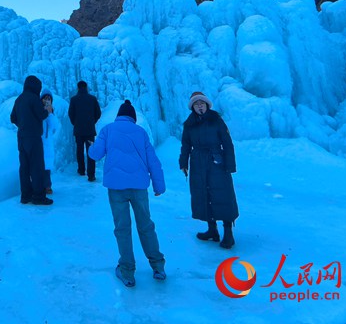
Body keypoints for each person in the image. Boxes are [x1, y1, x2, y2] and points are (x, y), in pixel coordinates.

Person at [89, 99, 166, 287]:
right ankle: (158, 266)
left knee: (122, 228)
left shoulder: (108, 130)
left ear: (118, 117)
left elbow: (95, 154)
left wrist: (92, 145)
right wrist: (159, 186)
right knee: (146, 225)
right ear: (132, 118)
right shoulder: (140, 132)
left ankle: (127, 272)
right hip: (139, 187)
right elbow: (153, 161)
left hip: (116, 188)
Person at [178, 91, 239, 249]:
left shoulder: (216, 120)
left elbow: (227, 143)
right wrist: (183, 163)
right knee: (203, 195)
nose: (200, 106)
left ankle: (228, 234)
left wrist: (229, 165)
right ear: (193, 107)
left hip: (216, 161)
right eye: (196, 104)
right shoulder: (189, 124)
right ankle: (212, 230)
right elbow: (185, 145)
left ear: (206, 105)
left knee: (222, 195)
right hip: (198, 162)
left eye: (202, 103)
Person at [10, 75, 53, 205]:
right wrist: (48, 110)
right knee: (37, 167)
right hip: (34, 138)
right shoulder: (34, 99)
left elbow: (13, 118)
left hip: (21, 138)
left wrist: (23, 125)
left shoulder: (19, 99)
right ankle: (39, 197)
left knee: (24, 167)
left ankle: (25, 196)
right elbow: (41, 114)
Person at [68, 80, 101, 182]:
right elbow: (98, 113)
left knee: (79, 150)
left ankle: (81, 170)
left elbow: (70, 114)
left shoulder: (74, 100)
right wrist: (92, 122)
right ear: (86, 87)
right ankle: (91, 175)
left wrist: (75, 123)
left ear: (78, 88)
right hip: (90, 130)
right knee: (90, 151)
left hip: (78, 130)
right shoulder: (92, 99)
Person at [40, 89, 61, 194]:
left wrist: (50, 113)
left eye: (49, 99)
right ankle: (38, 185)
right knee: (38, 165)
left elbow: (55, 126)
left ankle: (47, 186)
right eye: (45, 98)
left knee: (47, 164)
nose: (47, 101)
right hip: (39, 141)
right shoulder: (38, 110)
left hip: (47, 143)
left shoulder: (51, 112)